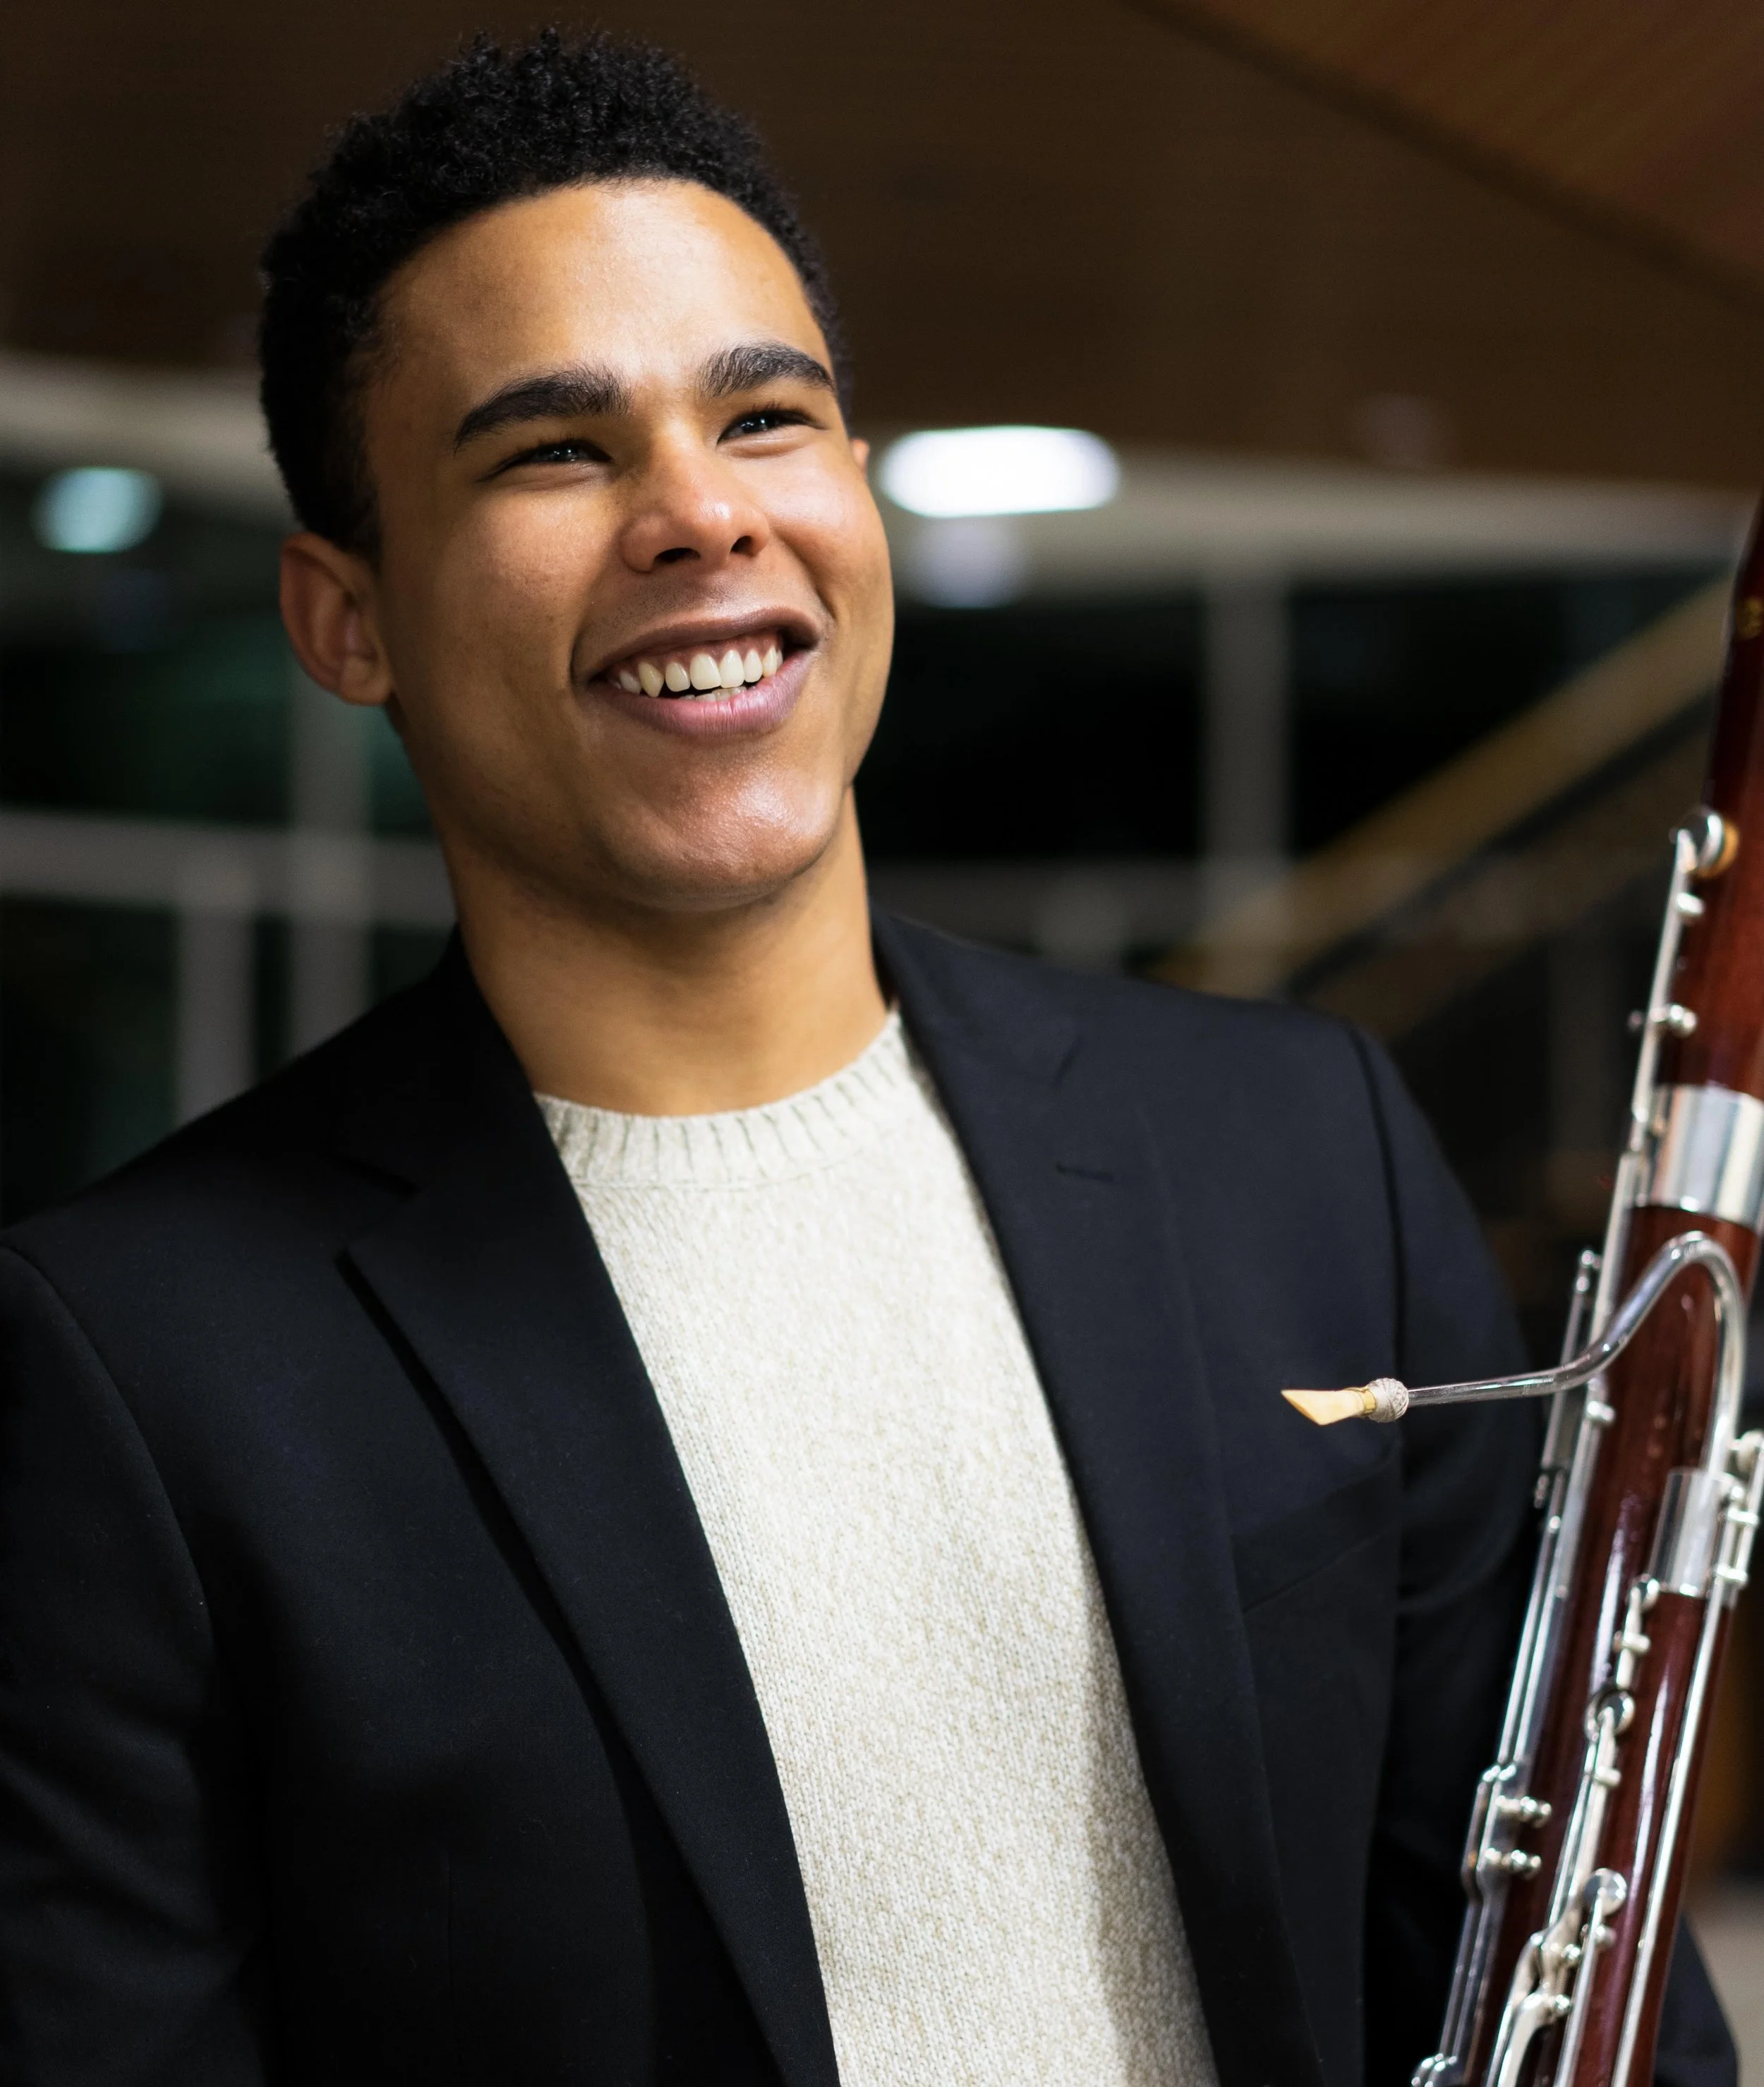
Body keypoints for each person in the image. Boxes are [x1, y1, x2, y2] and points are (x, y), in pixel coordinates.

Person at [0, 30, 1734, 2087]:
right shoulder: (138, 1371)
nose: (699, 513)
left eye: (767, 417)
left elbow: (1587, 1992)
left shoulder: (1299, 1153)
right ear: (344, 618)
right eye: (553, 452)